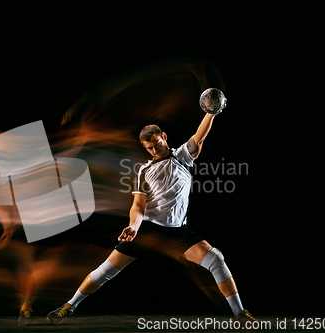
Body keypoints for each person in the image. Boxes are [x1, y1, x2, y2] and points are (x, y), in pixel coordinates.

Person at [46, 103, 256, 325]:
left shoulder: (182, 157)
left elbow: (199, 136)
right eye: (149, 148)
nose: (154, 151)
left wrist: (210, 113)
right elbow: (138, 205)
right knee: (104, 271)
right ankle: (69, 306)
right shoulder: (144, 170)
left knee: (216, 259)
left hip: (177, 232)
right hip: (147, 230)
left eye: (157, 145)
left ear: (163, 137)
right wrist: (133, 226)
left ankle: (240, 314)